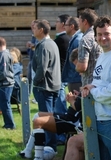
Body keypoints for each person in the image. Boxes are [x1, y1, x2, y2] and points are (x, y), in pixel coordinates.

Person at [65, 16, 111, 160]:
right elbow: (102, 82)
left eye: (107, 33)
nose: (103, 38)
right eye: (99, 34)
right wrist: (91, 86)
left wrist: (93, 91)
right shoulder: (104, 55)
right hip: (104, 119)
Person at [31, 19, 61, 157]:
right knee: (51, 116)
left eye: (34, 27)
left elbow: (42, 68)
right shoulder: (52, 43)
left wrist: (35, 82)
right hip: (54, 85)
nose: (32, 30)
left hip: (45, 87)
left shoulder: (43, 45)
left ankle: (50, 147)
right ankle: (51, 145)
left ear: (41, 30)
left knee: (46, 119)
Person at [54, 14, 71, 145]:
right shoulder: (65, 38)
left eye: (57, 21)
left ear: (63, 23)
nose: (56, 24)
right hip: (62, 76)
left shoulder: (62, 39)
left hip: (59, 77)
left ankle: (61, 136)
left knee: (60, 107)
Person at [76, 8, 102, 86]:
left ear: (85, 22)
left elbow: (82, 67)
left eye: (79, 21)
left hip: (89, 85)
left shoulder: (85, 39)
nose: (78, 24)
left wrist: (77, 66)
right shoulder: (100, 35)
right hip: (102, 82)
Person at [62, 17, 83, 93]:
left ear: (72, 26)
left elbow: (79, 61)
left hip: (76, 80)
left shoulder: (78, 40)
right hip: (74, 79)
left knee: (77, 103)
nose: (64, 27)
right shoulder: (75, 39)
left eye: (66, 25)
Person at [0, 37, 16, 130]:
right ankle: (7, 123)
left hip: (5, 83)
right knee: (4, 104)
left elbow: (4, 72)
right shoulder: (6, 54)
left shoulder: (3, 55)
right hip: (5, 83)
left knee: (5, 104)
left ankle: (10, 124)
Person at [26, 20, 39, 103]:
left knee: (34, 78)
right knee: (29, 78)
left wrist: (32, 46)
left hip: (35, 61)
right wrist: (29, 47)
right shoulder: (33, 36)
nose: (32, 27)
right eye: (31, 26)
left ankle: (36, 97)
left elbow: (37, 48)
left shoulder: (37, 37)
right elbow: (30, 51)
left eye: (33, 26)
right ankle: (28, 95)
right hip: (31, 59)